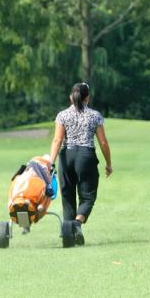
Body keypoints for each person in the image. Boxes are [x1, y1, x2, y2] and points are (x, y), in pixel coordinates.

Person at [49, 82, 112, 246]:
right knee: (88, 197)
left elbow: (57, 139)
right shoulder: (95, 116)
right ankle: (77, 224)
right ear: (87, 98)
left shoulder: (62, 115)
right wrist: (108, 164)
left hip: (66, 156)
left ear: (71, 97)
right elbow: (103, 143)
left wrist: (50, 162)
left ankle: (69, 237)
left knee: (67, 196)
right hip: (86, 157)